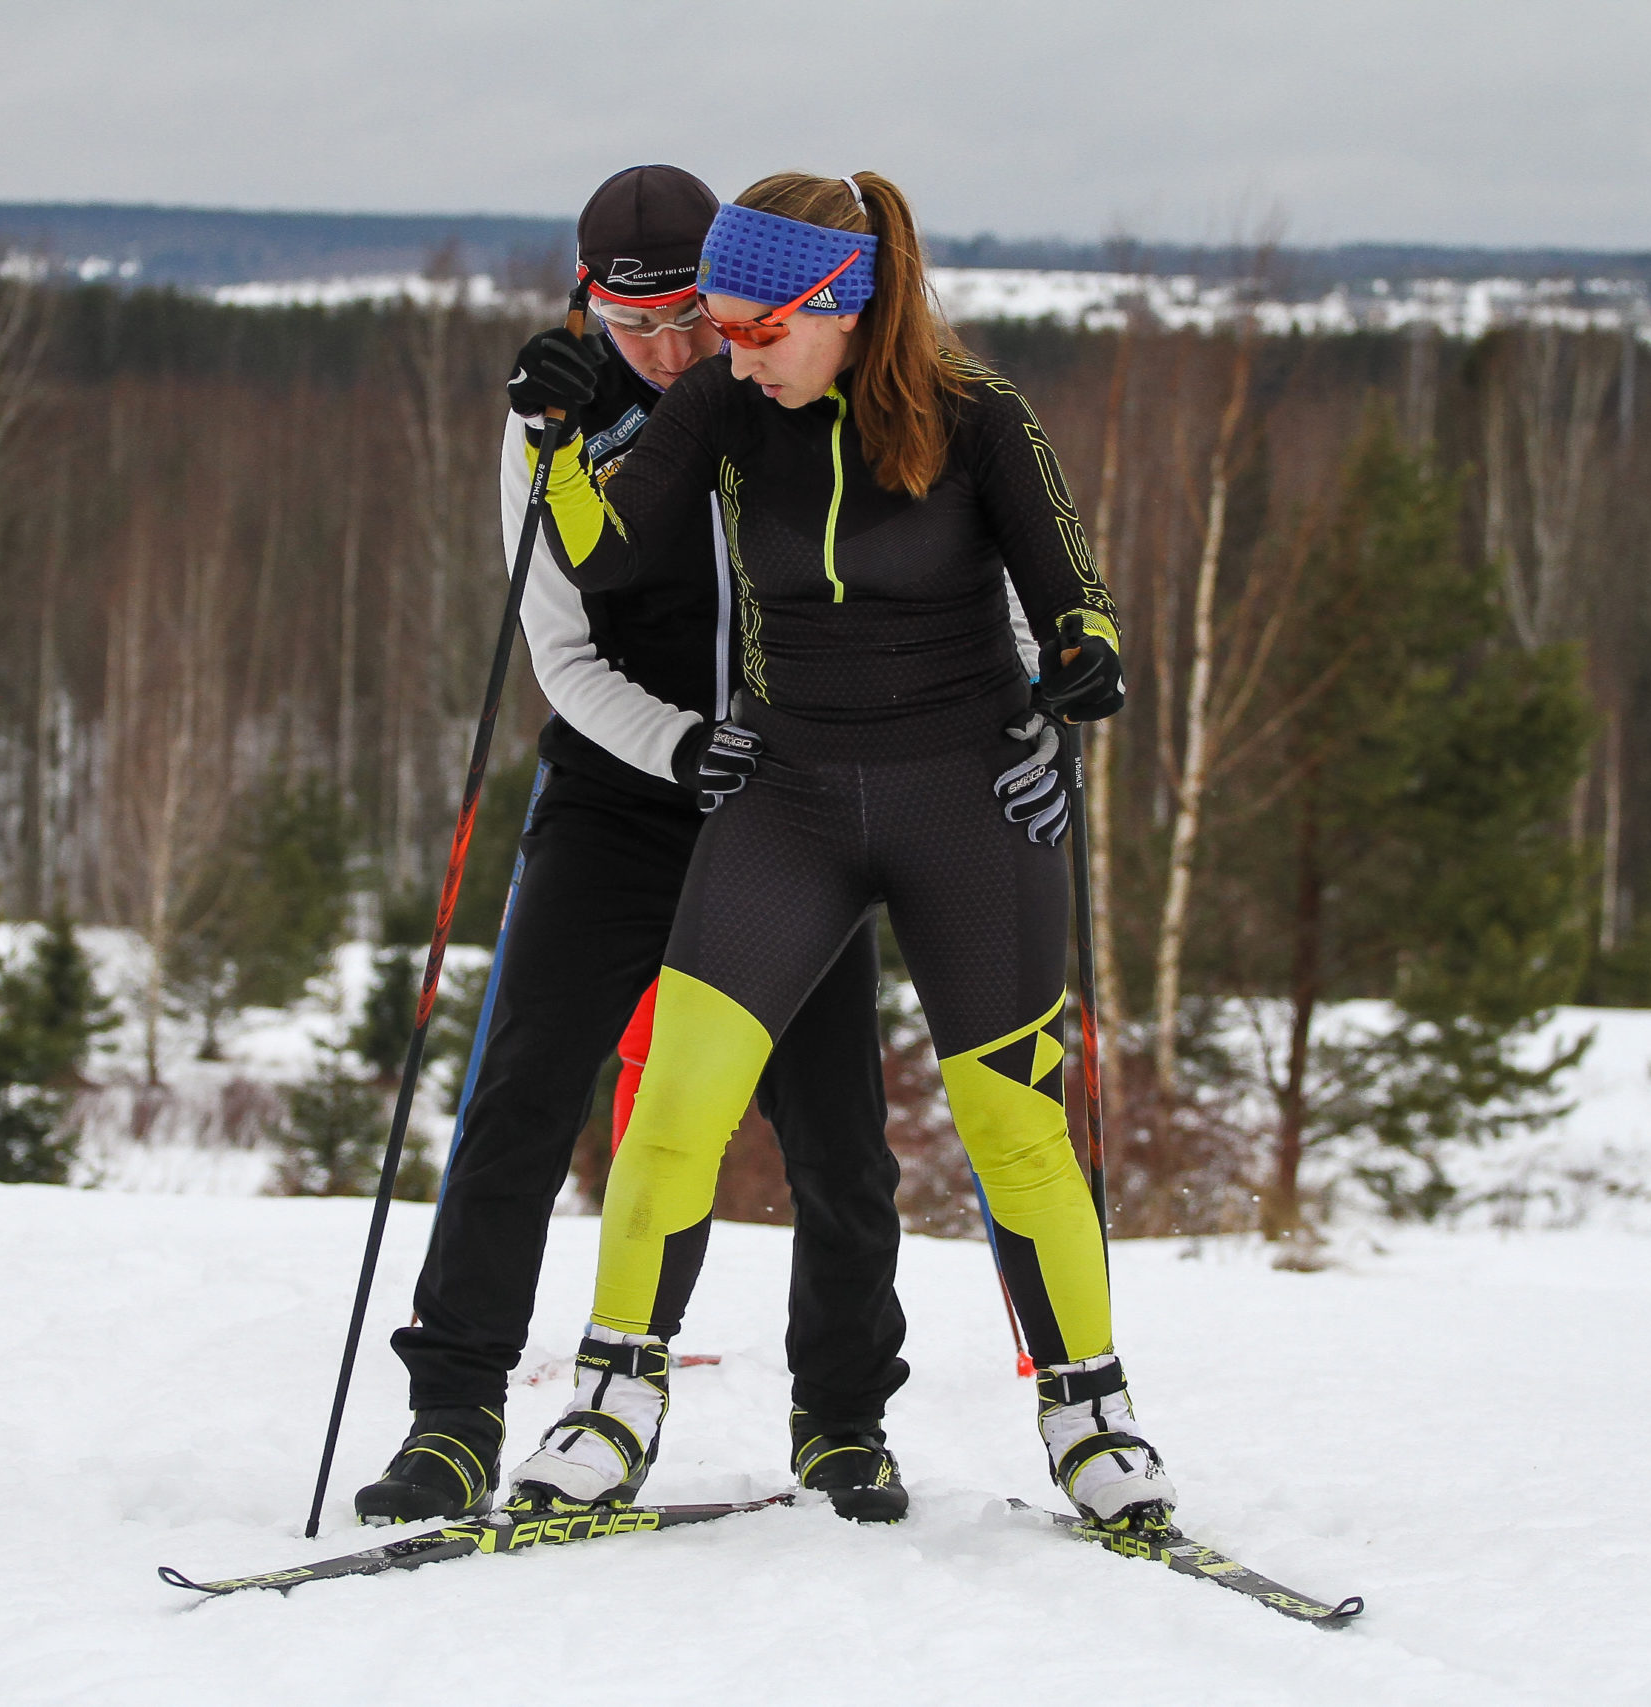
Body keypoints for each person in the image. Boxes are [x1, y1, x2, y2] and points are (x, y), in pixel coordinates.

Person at [503, 170, 1174, 1527]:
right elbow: (608, 556)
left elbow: (1074, 593)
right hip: (792, 796)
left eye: (759, 328)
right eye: (723, 327)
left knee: (1012, 1126)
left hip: (968, 804)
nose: (731, 353)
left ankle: (1092, 1418)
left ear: (845, 305)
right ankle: (612, 1401)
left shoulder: (982, 417)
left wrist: (1084, 673)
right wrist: (556, 440)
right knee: (676, 1101)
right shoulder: (726, 403)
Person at [358, 165, 939, 1527]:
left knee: (839, 1138)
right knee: (520, 1096)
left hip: (793, 808)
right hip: (623, 793)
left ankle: (843, 1421)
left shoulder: (784, 387)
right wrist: (681, 746)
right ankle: (453, 1417)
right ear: (587, 307)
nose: (673, 353)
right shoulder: (551, 426)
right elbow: (558, 654)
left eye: (692, 318)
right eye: (637, 331)